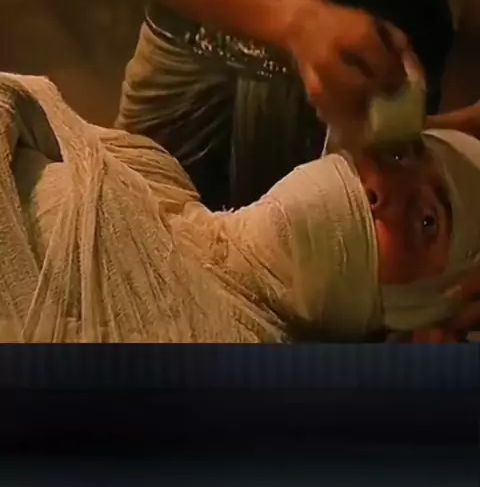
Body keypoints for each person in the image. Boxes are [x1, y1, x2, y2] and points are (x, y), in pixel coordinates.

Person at [2, 71, 480, 344]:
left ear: (415, 308)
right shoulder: (153, 171)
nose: (380, 190)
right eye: (399, 155)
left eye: (427, 222)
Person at [115, 0, 480, 209]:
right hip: (191, 34)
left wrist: (456, 154)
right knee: (130, 249)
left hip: (388, 86)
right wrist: (296, 19)